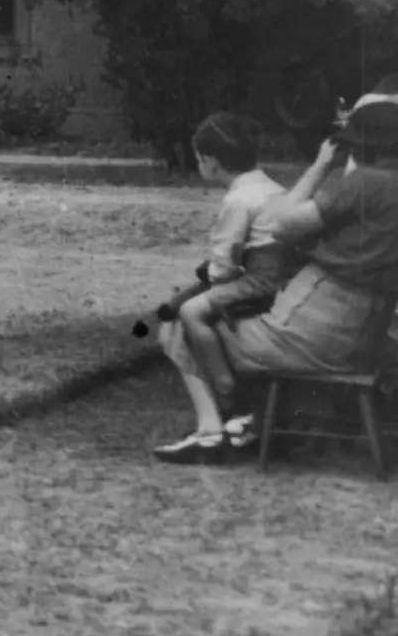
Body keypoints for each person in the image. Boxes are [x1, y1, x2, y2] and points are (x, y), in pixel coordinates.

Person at [157, 95, 398, 463]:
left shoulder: (365, 185)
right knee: (226, 314)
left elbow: (283, 226)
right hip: (362, 340)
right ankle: (252, 422)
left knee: (180, 320)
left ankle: (211, 431)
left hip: (304, 339)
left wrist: (319, 167)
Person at [153, 113, 296, 374]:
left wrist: (207, 277)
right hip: (287, 278)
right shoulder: (273, 188)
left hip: (260, 283)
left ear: (211, 162)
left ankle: (222, 378)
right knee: (186, 297)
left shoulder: (239, 199)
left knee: (191, 311)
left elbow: (223, 264)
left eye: (198, 159)